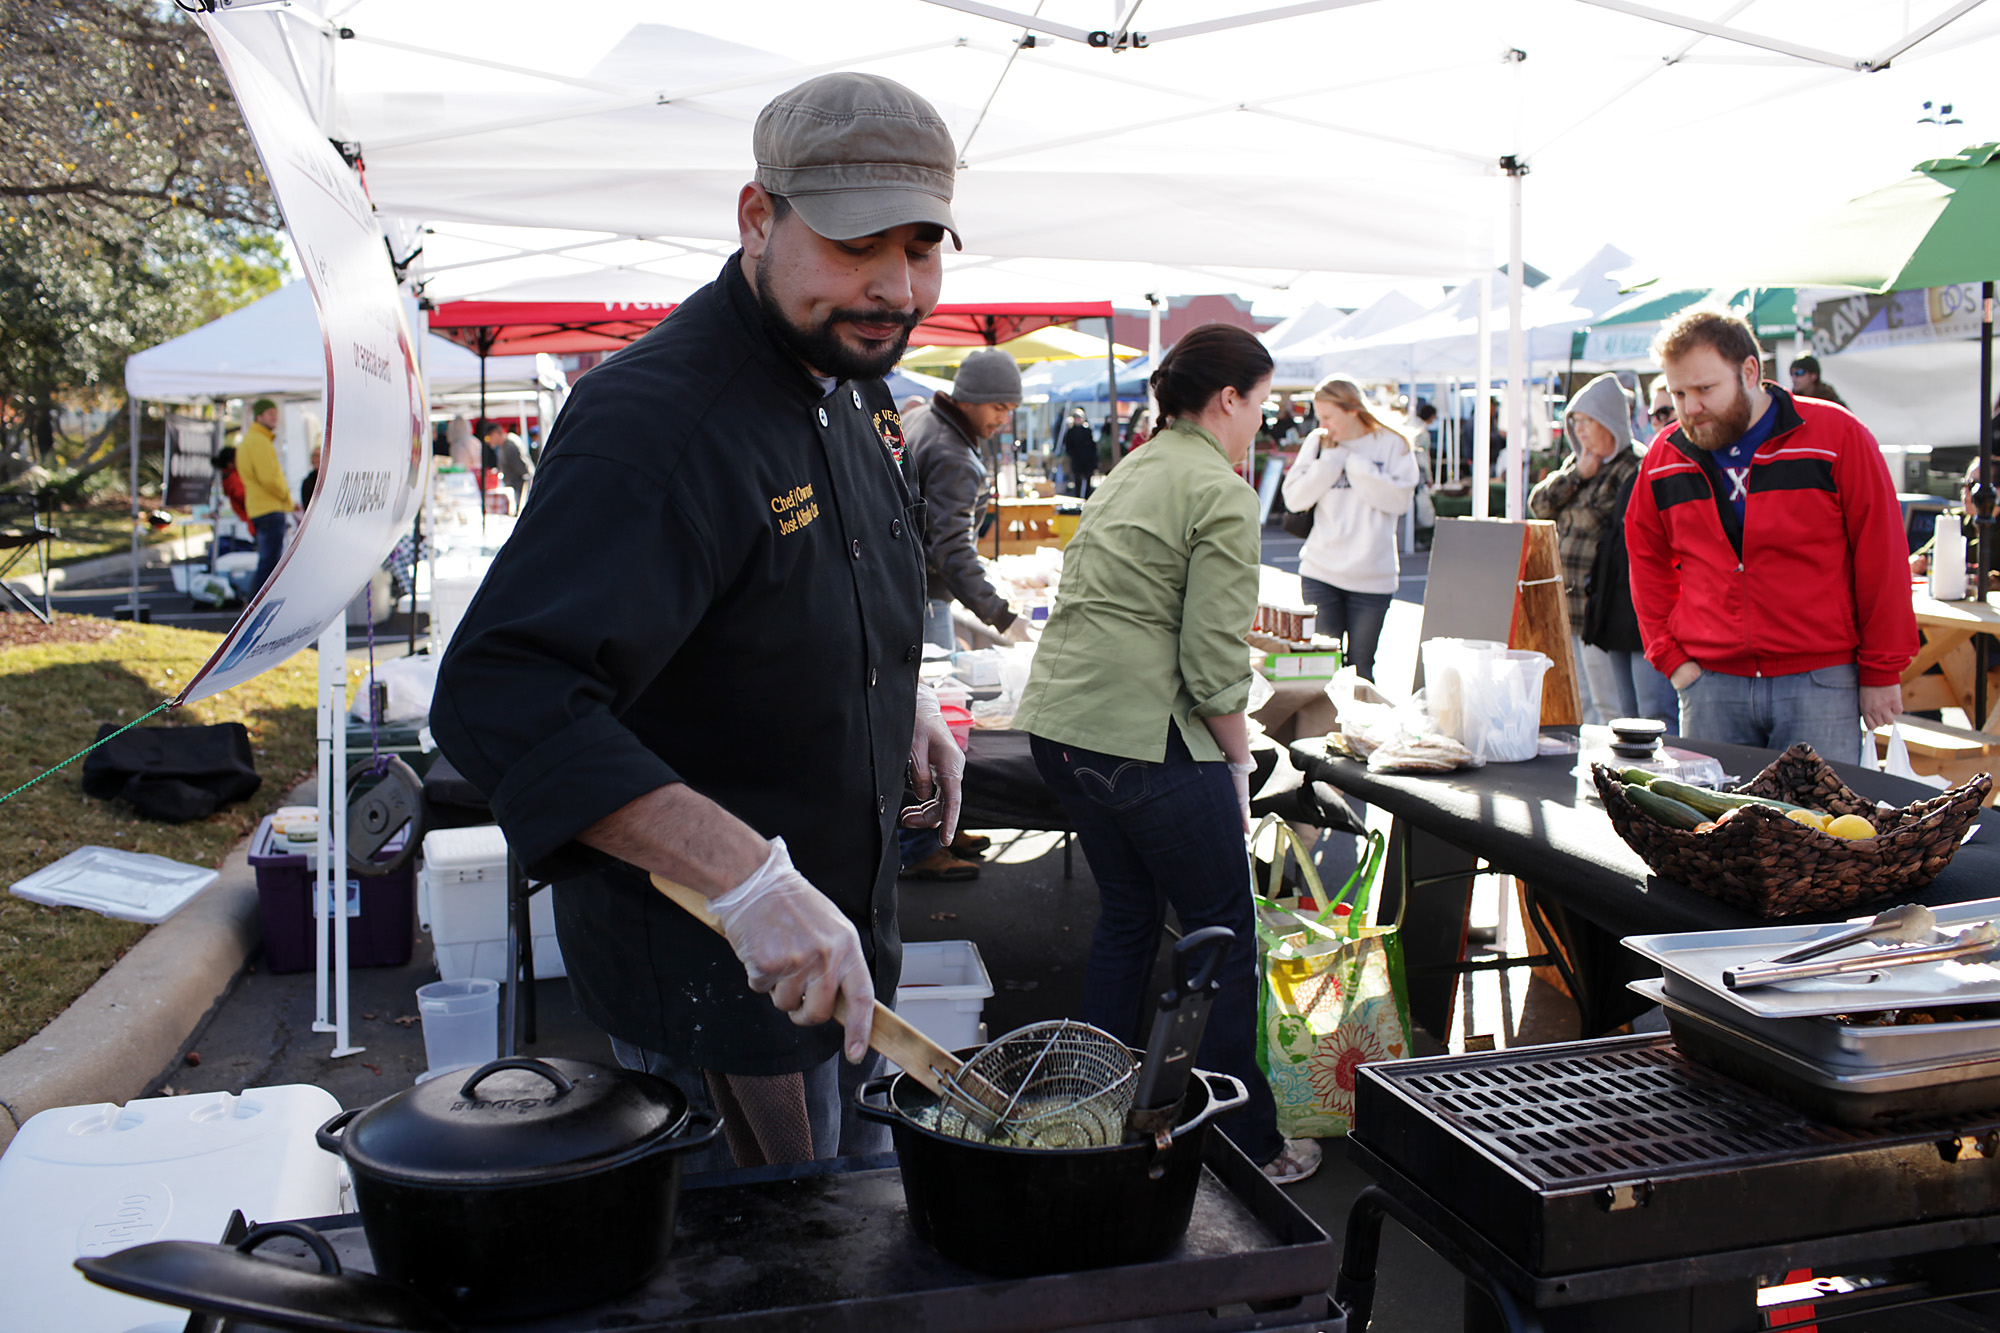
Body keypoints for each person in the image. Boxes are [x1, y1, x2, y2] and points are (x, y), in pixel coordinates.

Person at [433, 72, 965, 1173]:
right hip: (713, 982)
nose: (893, 285)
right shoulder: (657, 418)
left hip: (840, 953)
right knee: (761, 1272)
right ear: (756, 218)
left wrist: (895, 686)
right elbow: (504, 698)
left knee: (850, 1248)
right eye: (856, 243)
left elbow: (825, 571)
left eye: (919, 247)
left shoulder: (850, 374)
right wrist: (746, 879)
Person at [1014, 322, 1320, 1187]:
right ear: (1230, 399)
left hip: (1061, 728)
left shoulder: (1134, 468)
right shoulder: (1218, 489)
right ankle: (1243, 1141)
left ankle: (1097, 1113)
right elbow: (1214, 666)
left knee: (1127, 918)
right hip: (1141, 740)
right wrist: (1239, 760)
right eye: (1261, 405)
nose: (1261, 423)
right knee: (1223, 936)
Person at [1627, 306, 1916, 762]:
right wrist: (1672, 659)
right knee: (1718, 830)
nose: (1690, 408)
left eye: (1705, 388)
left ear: (1749, 371)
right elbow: (1644, 556)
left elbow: (1881, 554)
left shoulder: (1837, 435)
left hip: (1820, 680)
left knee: (1819, 829)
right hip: (1709, 683)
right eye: (1679, 393)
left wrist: (1881, 670)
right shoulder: (1665, 455)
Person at [899, 346, 1029, 881]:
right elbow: (952, 551)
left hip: (907, 584)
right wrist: (1002, 617)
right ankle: (922, 846)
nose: (1004, 418)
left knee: (932, 719)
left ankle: (946, 823)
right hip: (922, 592)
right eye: (998, 407)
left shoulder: (925, 418)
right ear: (971, 400)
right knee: (931, 727)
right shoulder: (953, 452)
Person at [1528, 374, 1661, 725]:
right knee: (1582, 698)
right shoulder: (1579, 462)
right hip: (1568, 604)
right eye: (1577, 422)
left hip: (1604, 608)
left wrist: (1568, 505)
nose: (1581, 431)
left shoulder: (1632, 464)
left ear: (1610, 422)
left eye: (1588, 421)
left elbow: (1602, 521)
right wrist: (1576, 477)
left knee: (1612, 703)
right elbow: (1539, 505)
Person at [1280, 375, 1420, 683]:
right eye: (1319, 417)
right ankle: (1323, 729)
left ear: (1353, 409)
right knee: (1323, 667)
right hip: (1321, 570)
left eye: (1329, 416)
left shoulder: (1391, 443)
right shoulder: (1319, 442)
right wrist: (1330, 463)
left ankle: (1356, 731)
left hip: (1373, 577)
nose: (1324, 424)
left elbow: (1398, 501)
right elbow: (1294, 498)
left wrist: (1356, 466)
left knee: (1361, 667)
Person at [238, 397, 294, 596]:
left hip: (261, 508)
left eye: (276, 414)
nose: (275, 418)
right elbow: (269, 478)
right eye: (270, 414)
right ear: (259, 416)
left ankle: (253, 605)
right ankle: (254, 607)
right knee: (270, 565)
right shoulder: (259, 441)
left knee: (268, 561)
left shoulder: (253, 440)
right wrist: (288, 501)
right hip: (270, 509)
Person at [482, 419, 535, 512]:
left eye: (488, 438)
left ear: (495, 433)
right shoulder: (504, 445)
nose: (488, 442)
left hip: (519, 488)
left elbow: (523, 469)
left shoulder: (510, 445)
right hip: (515, 487)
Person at [1060, 406, 1099, 499]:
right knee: (1077, 479)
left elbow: (1092, 445)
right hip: (1077, 459)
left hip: (1087, 459)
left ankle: (1087, 497)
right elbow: (1068, 445)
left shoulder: (1087, 430)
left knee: (1088, 478)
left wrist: (1095, 460)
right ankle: (1078, 497)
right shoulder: (1071, 432)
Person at [213, 446, 250, 527]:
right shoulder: (233, 478)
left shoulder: (229, 476)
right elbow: (243, 497)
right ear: (229, 463)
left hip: (247, 517)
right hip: (249, 517)